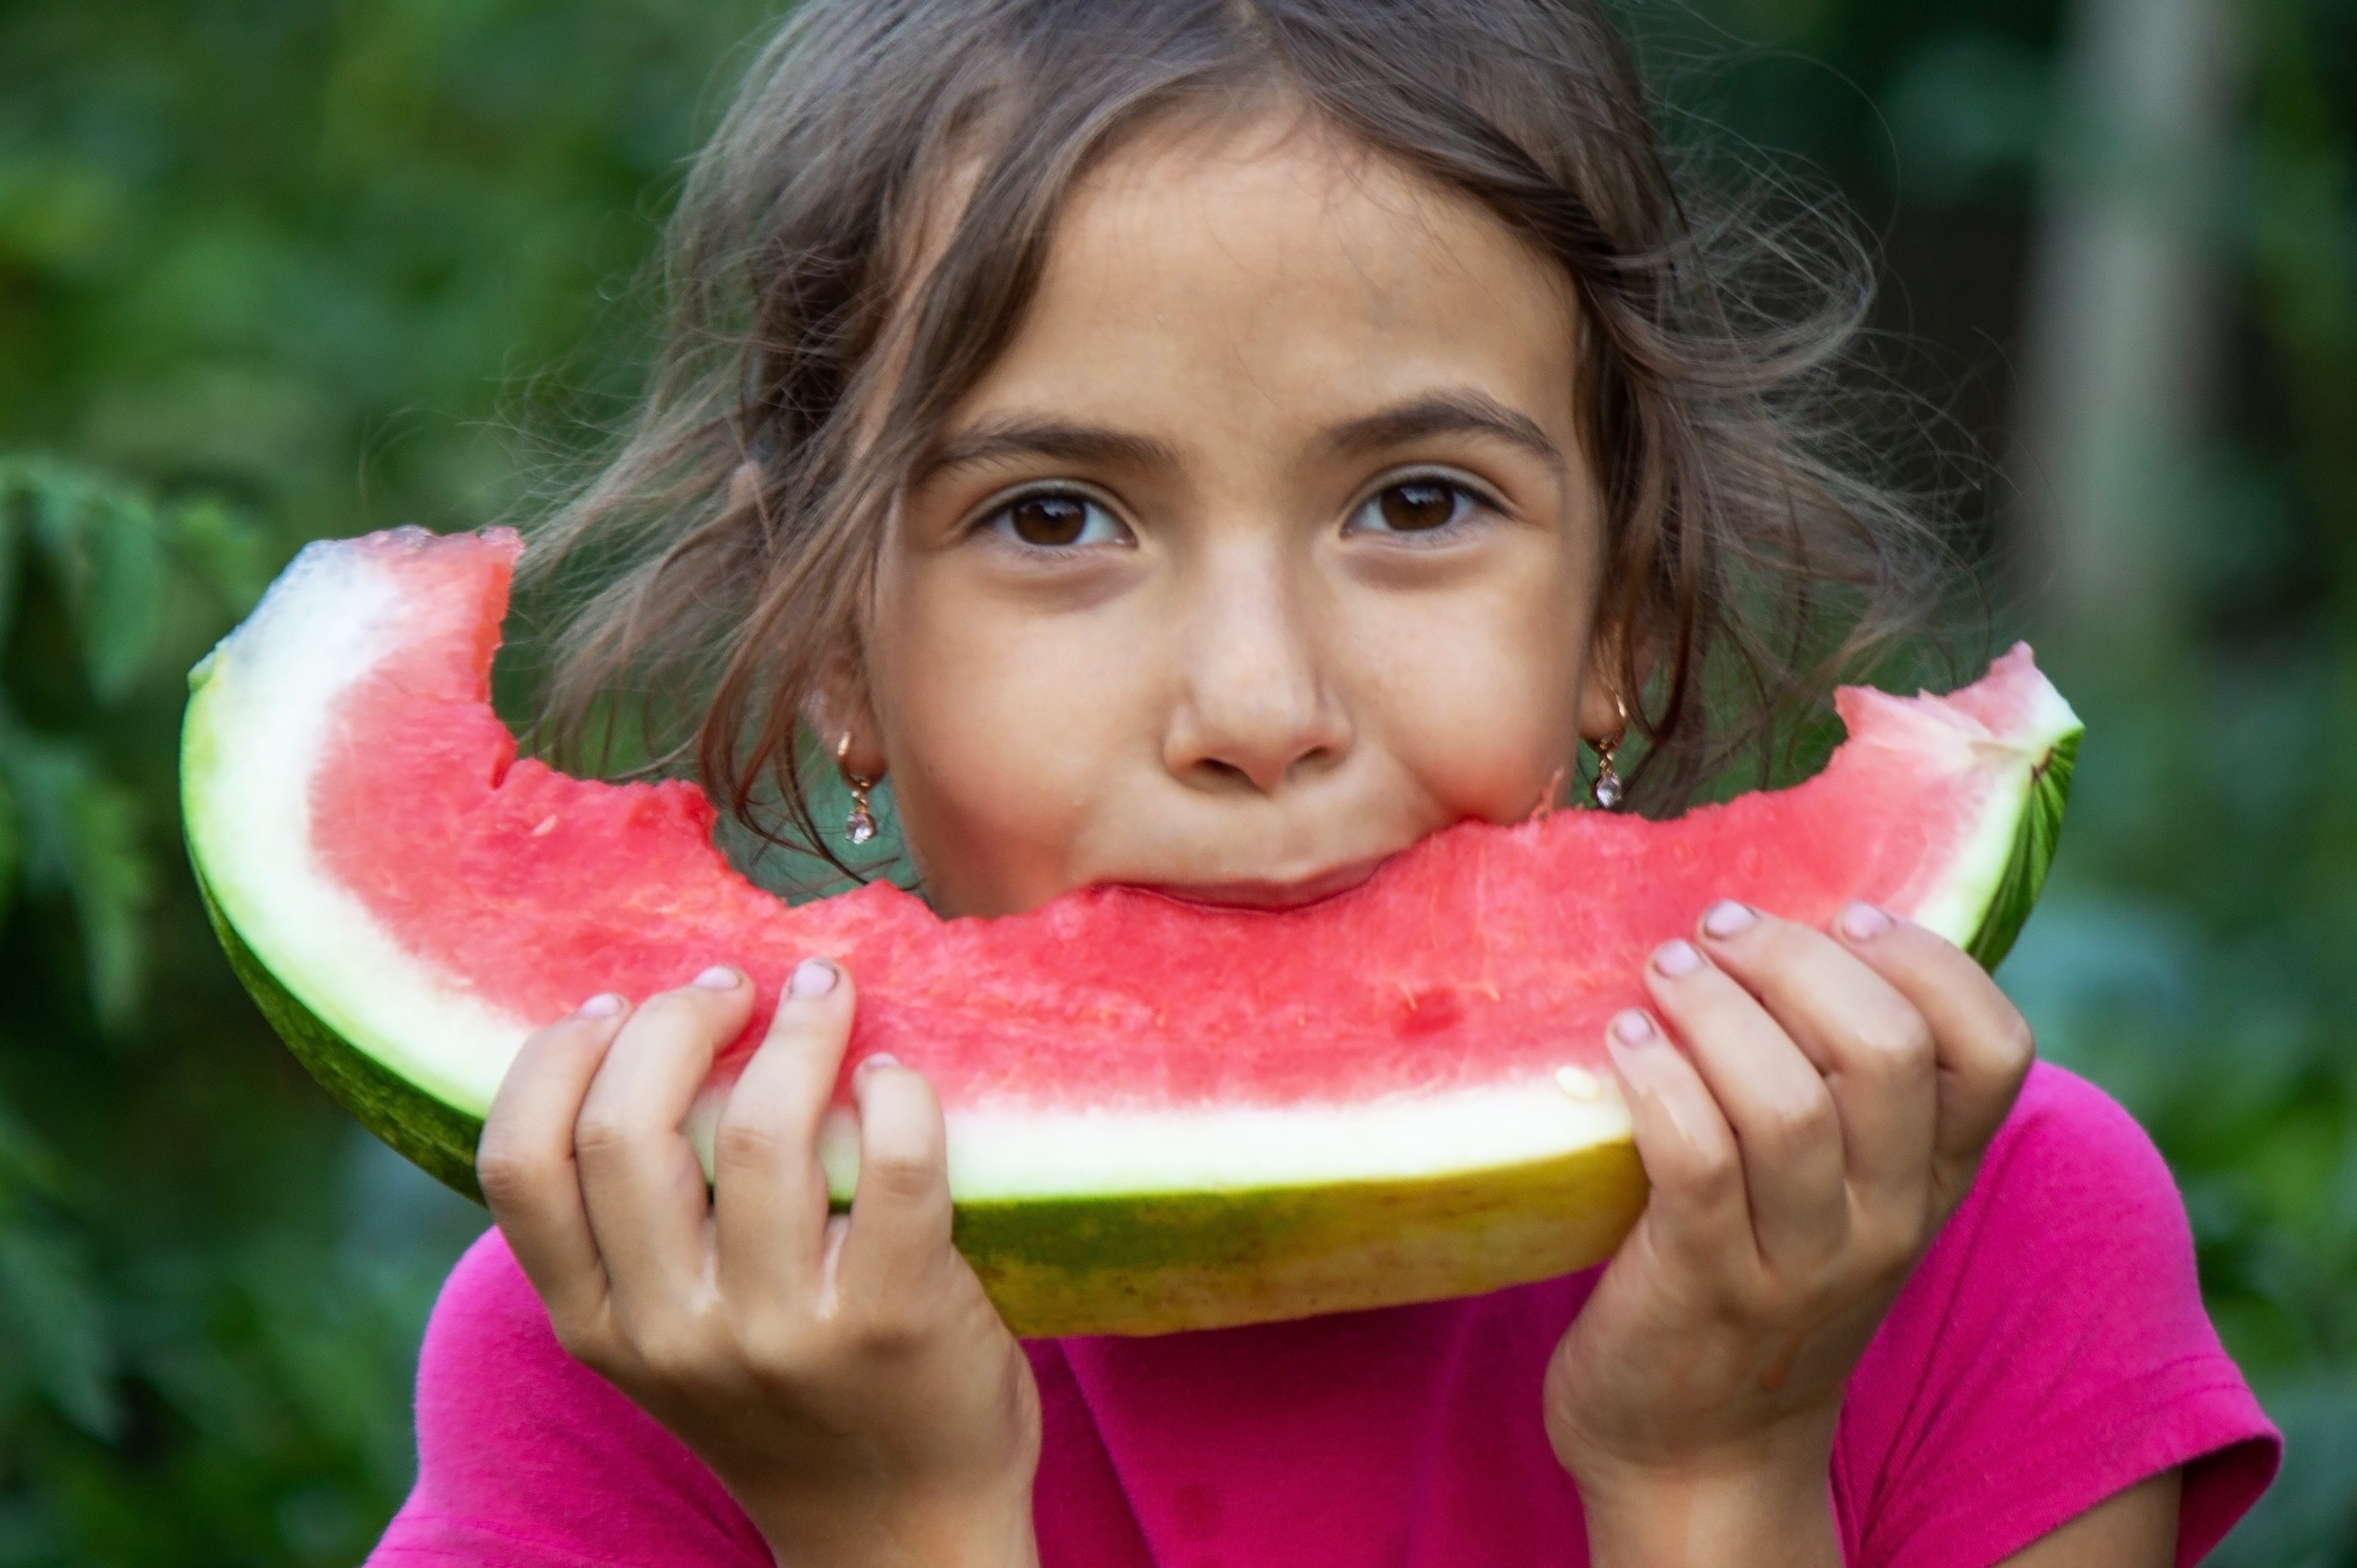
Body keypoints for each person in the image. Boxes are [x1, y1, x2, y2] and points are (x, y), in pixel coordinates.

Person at [367, 1, 2279, 1562]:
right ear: (835, 645)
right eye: (1053, 516)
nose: (1258, 703)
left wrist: (1714, 1477)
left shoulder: (1983, 1239)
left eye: (1418, 501)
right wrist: (890, 1516)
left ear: (1622, 600)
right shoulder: (652, 1317)